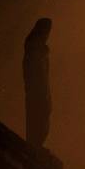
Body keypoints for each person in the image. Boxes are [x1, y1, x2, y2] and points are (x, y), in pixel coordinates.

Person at [22, 18, 53, 148]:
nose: (47, 35)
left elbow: (44, 75)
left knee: (43, 116)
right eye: (46, 31)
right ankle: (34, 145)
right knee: (37, 116)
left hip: (43, 90)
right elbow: (34, 74)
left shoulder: (41, 51)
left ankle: (37, 145)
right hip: (37, 91)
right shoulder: (33, 50)